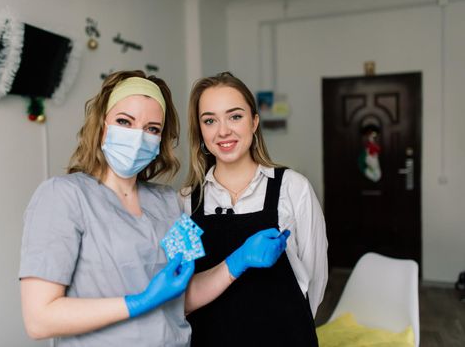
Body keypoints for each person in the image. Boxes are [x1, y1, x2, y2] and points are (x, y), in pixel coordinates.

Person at [19, 70, 289, 347]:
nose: (138, 137)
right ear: (101, 125)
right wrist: (139, 302)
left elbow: (184, 296)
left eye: (152, 129)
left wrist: (238, 260)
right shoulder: (61, 196)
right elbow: (40, 319)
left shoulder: (168, 201)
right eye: (125, 121)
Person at [180, 72, 328, 346]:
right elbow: (180, 290)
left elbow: (315, 277)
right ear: (200, 131)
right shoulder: (185, 201)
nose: (223, 130)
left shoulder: (294, 189)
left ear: (254, 122)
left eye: (235, 116)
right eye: (210, 120)